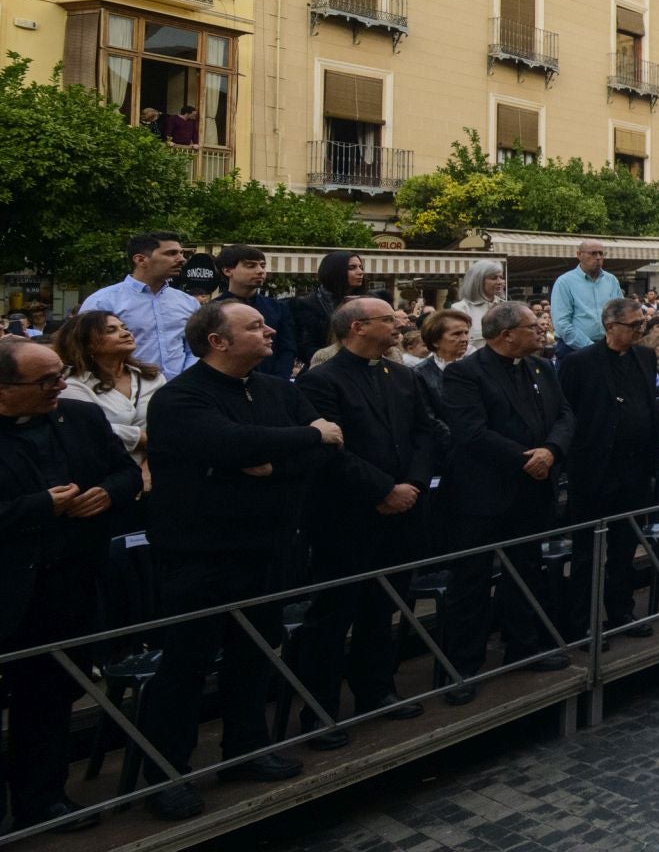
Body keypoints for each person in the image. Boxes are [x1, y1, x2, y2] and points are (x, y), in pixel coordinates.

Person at [138, 299, 345, 820]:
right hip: (200, 555)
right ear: (218, 342)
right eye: (255, 326)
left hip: (269, 546)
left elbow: (330, 446)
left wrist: (274, 464)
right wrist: (305, 438)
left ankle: (245, 750)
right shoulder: (180, 399)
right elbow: (228, 443)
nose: (270, 329)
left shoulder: (278, 389)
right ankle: (166, 774)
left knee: (256, 653)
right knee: (186, 664)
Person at [0, 340, 141, 834]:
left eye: (60, 375)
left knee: (50, 700)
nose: (59, 386)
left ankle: (43, 800)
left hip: (70, 587)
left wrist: (108, 493)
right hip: (8, 590)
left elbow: (126, 474)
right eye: (45, 381)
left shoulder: (79, 417)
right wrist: (43, 506)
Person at [293, 298, 438, 748]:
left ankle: (377, 690)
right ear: (357, 327)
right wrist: (382, 490)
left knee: (384, 606)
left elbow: (426, 431)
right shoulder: (320, 380)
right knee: (333, 614)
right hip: (347, 515)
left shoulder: (400, 375)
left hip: (402, 509)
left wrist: (412, 482)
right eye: (388, 319)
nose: (399, 324)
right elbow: (330, 452)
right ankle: (319, 709)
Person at [437, 302, 575, 701]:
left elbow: (565, 414)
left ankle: (525, 647)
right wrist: (525, 459)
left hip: (533, 491)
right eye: (533, 326)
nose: (541, 330)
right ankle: (461, 668)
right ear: (506, 334)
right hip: (483, 494)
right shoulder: (466, 374)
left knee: (526, 570)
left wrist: (550, 451)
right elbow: (470, 431)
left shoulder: (541, 367)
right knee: (471, 581)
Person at [558, 296, 659, 640]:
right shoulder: (579, 363)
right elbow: (568, 413)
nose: (640, 331)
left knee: (624, 548)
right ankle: (581, 624)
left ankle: (620, 612)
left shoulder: (645, 357)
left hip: (634, 470)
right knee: (587, 553)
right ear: (610, 326)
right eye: (634, 326)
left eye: (642, 325)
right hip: (594, 471)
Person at [53, 310, 165, 516]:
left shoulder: (152, 378)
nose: (125, 333)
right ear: (87, 343)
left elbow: (168, 424)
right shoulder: (72, 384)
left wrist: (147, 467)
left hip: (158, 477)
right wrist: (141, 438)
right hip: (102, 482)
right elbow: (90, 429)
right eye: (111, 330)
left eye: (124, 327)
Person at [77, 230, 198, 379]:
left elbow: (195, 348)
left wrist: (186, 380)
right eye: (171, 253)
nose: (181, 259)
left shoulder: (188, 302)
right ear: (140, 260)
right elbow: (83, 349)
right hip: (123, 392)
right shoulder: (103, 301)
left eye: (181, 253)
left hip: (180, 392)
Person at [213, 243, 295, 380]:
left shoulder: (277, 307)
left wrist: (278, 381)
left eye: (262, 265)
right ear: (227, 271)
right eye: (250, 266)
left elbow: (288, 348)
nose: (260, 271)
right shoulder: (213, 309)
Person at [289, 250, 366, 369]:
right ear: (334, 271)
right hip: (323, 370)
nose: (360, 272)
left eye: (361, 267)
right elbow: (305, 347)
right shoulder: (307, 304)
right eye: (352, 268)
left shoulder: (371, 301)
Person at [549, 239, 623, 359]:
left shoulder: (611, 280)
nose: (598, 257)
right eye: (593, 253)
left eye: (601, 253)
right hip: (572, 349)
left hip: (608, 348)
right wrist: (591, 347)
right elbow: (562, 323)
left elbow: (620, 313)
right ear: (579, 255)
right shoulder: (564, 282)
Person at [450, 260, 507, 356]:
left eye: (501, 277)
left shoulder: (506, 306)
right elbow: (458, 344)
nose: (500, 282)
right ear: (478, 281)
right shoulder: (460, 309)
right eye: (494, 278)